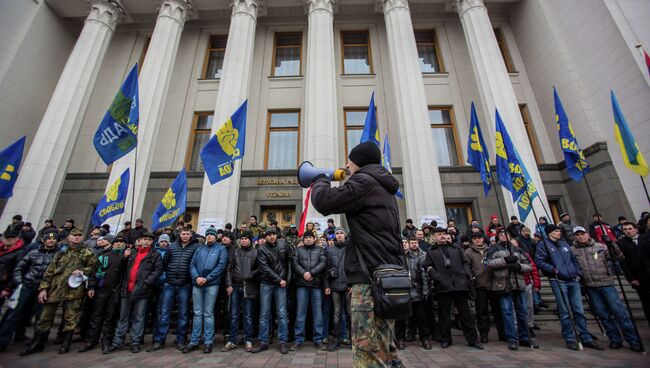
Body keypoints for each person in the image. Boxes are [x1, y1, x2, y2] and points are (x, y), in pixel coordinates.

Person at [310, 141, 405, 367]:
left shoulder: (364, 182)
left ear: (359, 162)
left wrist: (321, 178)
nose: (346, 165)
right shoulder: (383, 186)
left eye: (349, 161)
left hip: (370, 280)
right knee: (385, 345)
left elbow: (324, 202)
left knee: (367, 350)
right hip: (386, 278)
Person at [21, 228, 97, 355]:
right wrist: (43, 288)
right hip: (55, 289)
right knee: (45, 317)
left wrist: (83, 271)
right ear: (69, 238)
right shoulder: (61, 251)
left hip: (74, 290)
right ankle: (37, 343)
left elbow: (93, 268)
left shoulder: (88, 252)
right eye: (74, 235)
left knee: (70, 318)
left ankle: (65, 343)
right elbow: (50, 270)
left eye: (79, 235)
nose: (77, 237)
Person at [571, 226, 643, 352]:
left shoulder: (601, 246)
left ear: (587, 234)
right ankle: (614, 338)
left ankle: (633, 340)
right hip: (590, 286)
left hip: (606, 283)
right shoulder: (572, 250)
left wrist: (611, 244)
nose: (580, 236)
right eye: (577, 235)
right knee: (603, 314)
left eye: (582, 234)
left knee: (620, 313)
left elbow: (618, 257)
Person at [535, 224, 602, 350]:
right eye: (556, 231)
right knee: (565, 311)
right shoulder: (543, 245)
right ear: (549, 233)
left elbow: (573, 259)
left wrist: (577, 273)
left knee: (579, 310)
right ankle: (570, 338)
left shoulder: (564, 244)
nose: (559, 232)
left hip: (573, 280)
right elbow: (539, 261)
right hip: (558, 280)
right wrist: (553, 269)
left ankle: (585, 337)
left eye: (559, 230)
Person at [424, 227, 482, 350]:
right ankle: (446, 339)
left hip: (460, 285)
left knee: (466, 315)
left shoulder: (456, 248)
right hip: (443, 286)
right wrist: (436, 277)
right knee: (444, 315)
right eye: (439, 234)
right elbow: (428, 266)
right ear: (434, 237)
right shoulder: (431, 251)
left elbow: (465, 262)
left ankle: (472, 340)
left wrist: (466, 275)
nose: (442, 236)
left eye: (444, 234)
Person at [0, 230, 58, 352]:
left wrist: (49, 287)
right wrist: (20, 282)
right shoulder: (33, 253)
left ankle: (37, 341)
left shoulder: (59, 255)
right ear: (43, 240)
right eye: (48, 238)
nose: (51, 240)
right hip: (27, 286)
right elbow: (19, 268)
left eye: (53, 239)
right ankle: (3, 340)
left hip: (44, 289)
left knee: (41, 316)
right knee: (13, 314)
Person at [107, 233, 163, 353]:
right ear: (140, 240)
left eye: (149, 240)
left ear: (152, 242)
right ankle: (117, 342)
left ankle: (135, 342)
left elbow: (158, 270)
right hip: (127, 289)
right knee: (123, 317)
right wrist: (124, 257)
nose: (146, 241)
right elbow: (121, 269)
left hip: (143, 290)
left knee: (139, 317)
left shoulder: (155, 254)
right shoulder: (132, 253)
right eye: (144, 239)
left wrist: (146, 283)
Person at [486, 229, 539, 350]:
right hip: (503, 283)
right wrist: (504, 261)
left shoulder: (517, 249)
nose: (504, 236)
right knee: (507, 311)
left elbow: (529, 265)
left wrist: (519, 266)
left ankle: (525, 337)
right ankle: (512, 338)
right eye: (501, 234)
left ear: (509, 236)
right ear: (498, 237)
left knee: (522, 311)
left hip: (518, 284)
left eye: (506, 234)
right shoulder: (493, 249)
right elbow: (488, 263)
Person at [150, 228, 199, 352]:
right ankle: (159, 340)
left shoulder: (195, 247)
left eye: (187, 234)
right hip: (169, 283)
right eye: (183, 234)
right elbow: (165, 263)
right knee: (165, 313)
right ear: (180, 234)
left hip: (185, 284)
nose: (185, 236)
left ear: (191, 235)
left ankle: (181, 340)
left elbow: (195, 263)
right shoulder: (171, 247)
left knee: (183, 314)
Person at [185, 226, 228, 353]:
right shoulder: (199, 249)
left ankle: (208, 341)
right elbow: (192, 264)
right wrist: (197, 277)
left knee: (208, 313)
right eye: (207, 234)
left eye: (212, 234)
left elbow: (221, 266)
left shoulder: (221, 249)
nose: (209, 236)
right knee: (197, 313)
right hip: (197, 283)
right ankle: (194, 341)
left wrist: (207, 278)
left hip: (212, 284)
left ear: (216, 236)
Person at [79, 235, 125, 353]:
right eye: (117, 242)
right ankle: (91, 340)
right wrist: (92, 287)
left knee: (110, 317)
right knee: (96, 316)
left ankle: (106, 342)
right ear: (113, 244)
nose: (119, 244)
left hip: (115, 291)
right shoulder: (103, 257)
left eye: (122, 242)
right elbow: (95, 273)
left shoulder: (126, 259)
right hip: (101, 290)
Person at [253, 228, 292, 354]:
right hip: (267, 283)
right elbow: (264, 268)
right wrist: (279, 279)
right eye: (269, 235)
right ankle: (263, 341)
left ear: (277, 235)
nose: (272, 237)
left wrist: (287, 279)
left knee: (282, 313)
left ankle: (283, 341)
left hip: (282, 284)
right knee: (264, 313)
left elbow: (290, 260)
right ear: (266, 236)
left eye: (274, 234)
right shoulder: (261, 249)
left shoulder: (283, 245)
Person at [291, 230, 328, 351]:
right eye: (306, 237)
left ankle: (318, 340)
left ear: (314, 239)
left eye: (310, 237)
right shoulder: (298, 250)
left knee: (318, 314)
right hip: (302, 285)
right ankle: (298, 340)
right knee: (300, 314)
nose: (307, 239)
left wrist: (311, 273)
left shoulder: (320, 250)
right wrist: (304, 273)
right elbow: (294, 263)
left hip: (316, 286)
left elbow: (323, 263)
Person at [465, 232, 504, 343]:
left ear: (483, 239)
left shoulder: (490, 249)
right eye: (475, 238)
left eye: (479, 238)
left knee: (498, 310)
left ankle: (502, 332)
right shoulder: (468, 252)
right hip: (479, 285)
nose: (477, 240)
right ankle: (483, 333)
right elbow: (467, 267)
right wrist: (472, 278)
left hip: (493, 284)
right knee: (482, 312)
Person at [223, 231, 258, 352]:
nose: (243, 240)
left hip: (248, 287)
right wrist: (228, 284)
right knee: (233, 315)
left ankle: (248, 340)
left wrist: (250, 275)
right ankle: (232, 340)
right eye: (242, 238)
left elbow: (259, 269)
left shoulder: (255, 252)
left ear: (250, 240)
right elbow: (228, 269)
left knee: (248, 315)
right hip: (235, 286)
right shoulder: (235, 251)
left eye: (246, 238)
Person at [396, 237, 430, 350]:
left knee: (421, 317)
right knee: (400, 318)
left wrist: (424, 290)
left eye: (406, 242)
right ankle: (400, 339)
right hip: (402, 292)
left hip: (416, 291)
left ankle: (425, 338)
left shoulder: (415, 257)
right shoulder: (397, 258)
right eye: (402, 242)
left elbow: (423, 275)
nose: (404, 244)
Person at [617, 221, 650, 324]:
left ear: (635, 229)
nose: (628, 231)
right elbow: (624, 263)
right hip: (639, 278)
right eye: (625, 229)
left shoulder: (645, 239)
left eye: (630, 229)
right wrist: (631, 279)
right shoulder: (621, 243)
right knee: (647, 303)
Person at [325, 227, 351, 351]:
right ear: (334, 236)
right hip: (335, 285)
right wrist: (329, 274)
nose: (339, 235)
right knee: (336, 313)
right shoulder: (329, 250)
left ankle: (353, 339)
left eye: (341, 233)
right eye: (337, 233)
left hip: (348, 286)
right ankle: (336, 339)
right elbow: (326, 268)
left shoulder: (350, 249)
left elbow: (354, 266)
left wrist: (352, 283)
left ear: (345, 235)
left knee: (350, 313)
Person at [0, 230, 27, 306]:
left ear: (17, 238)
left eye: (12, 237)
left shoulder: (20, 252)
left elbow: (17, 271)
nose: (9, 239)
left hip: (3, 284)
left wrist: (8, 288)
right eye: (7, 237)